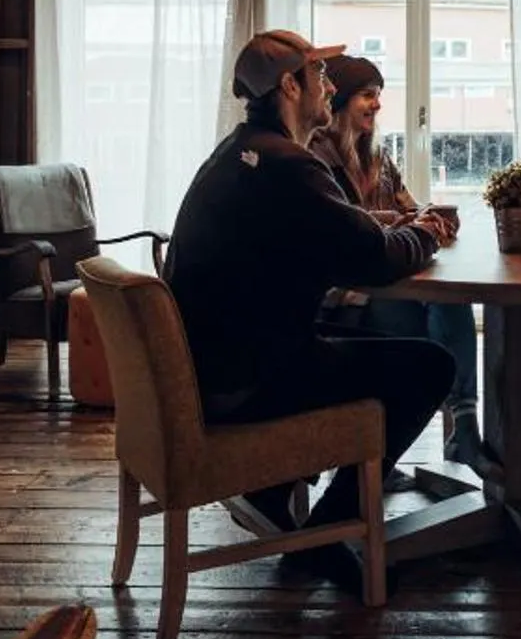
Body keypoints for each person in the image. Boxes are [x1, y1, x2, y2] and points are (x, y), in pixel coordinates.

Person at [166, 29, 458, 585]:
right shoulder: (288, 166)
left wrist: (395, 230)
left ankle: (275, 490)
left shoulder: (242, 152)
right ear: (289, 86)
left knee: (378, 348)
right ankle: (327, 534)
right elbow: (373, 262)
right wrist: (424, 232)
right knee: (430, 365)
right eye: (319, 76)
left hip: (214, 367)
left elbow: (341, 236)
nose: (328, 85)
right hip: (248, 382)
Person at [303, 54, 485, 465]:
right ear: (340, 100)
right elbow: (345, 226)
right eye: (368, 95)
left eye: (379, 95)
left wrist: (432, 219)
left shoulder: (379, 159)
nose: (378, 105)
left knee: (450, 300)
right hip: (344, 302)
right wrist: (409, 221)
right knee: (435, 329)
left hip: (387, 281)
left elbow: (411, 208)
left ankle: (465, 423)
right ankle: (453, 431)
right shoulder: (314, 157)